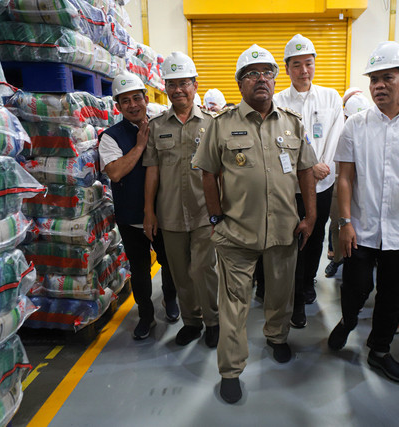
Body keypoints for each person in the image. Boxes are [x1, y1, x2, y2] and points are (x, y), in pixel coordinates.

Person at [192, 44, 317, 404]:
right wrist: (216, 218)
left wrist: (309, 216)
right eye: (251, 74)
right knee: (233, 305)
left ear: (274, 80)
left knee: (280, 294)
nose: (260, 79)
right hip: (236, 233)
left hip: (283, 231)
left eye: (266, 73)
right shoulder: (221, 124)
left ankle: (277, 337)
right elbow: (208, 173)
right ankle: (230, 370)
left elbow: (307, 170)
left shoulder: (292, 122)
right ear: (240, 83)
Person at [327, 41, 399, 383]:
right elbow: (345, 178)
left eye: (387, 78)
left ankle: (380, 350)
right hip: (360, 229)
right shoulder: (355, 126)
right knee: (355, 287)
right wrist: (345, 223)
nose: (378, 85)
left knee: (392, 296)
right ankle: (348, 321)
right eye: (374, 79)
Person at [143, 52, 220, 348]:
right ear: (165, 88)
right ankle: (191, 321)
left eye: (184, 83)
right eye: (172, 84)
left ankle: (213, 320)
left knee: (204, 269)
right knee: (179, 273)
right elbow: (152, 171)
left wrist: (223, 211)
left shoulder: (212, 123)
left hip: (205, 213)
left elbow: (222, 171)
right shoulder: (157, 125)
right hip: (171, 213)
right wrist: (149, 212)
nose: (178, 89)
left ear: (195, 85)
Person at [98, 73, 180, 340]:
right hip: (131, 216)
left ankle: (170, 300)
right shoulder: (110, 137)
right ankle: (145, 315)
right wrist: (140, 145)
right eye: (125, 101)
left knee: (170, 263)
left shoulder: (162, 127)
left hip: (164, 214)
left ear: (146, 99)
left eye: (136, 98)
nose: (133, 105)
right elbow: (115, 172)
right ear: (118, 107)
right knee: (140, 269)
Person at [274, 34, 345, 327]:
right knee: (291, 237)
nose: (304, 70)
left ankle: (306, 283)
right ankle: (291, 287)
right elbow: (277, 142)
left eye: (308, 64)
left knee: (315, 236)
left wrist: (321, 166)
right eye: (297, 65)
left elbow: (336, 133)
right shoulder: (278, 101)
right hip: (290, 187)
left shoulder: (330, 97)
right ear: (288, 68)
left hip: (323, 184)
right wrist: (307, 166)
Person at [325, 90, 371, 278]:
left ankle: (360, 264)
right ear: (345, 116)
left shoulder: (372, 134)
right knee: (338, 225)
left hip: (364, 189)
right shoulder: (337, 133)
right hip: (338, 187)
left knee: (363, 227)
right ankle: (337, 259)